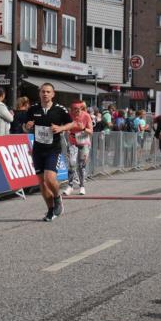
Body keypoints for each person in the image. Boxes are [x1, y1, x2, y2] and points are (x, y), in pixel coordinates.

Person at [24, 83, 76, 222]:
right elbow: (25, 126)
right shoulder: (33, 109)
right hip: (38, 150)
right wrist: (26, 126)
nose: (45, 94)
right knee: (42, 183)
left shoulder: (60, 109)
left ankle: (57, 198)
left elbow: (72, 124)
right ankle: (50, 210)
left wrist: (61, 128)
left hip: (53, 149)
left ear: (53, 94)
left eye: (48, 92)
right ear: (39, 93)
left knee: (49, 178)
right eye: (43, 91)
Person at [62, 100, 92, 195]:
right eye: (74, 109)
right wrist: (66, 129)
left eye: (78, 109)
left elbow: (91, 131)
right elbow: (64, 127)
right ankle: (70, 186)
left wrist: (83, 128)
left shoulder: (86, 116)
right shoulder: (69, 116)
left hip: (84, 143)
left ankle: (82, 186)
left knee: (81, 165)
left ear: (81, 108)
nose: (76, 111)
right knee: (71, 163)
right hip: (73, 143)